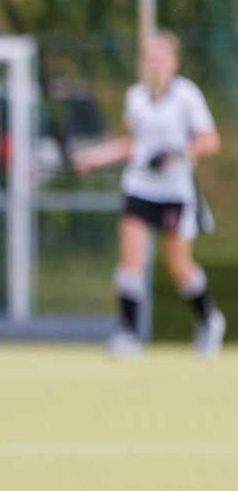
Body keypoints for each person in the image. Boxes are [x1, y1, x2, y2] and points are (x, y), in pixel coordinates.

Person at [74, 30, 224, 359]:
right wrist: (95, 156)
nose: (154, 64)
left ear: (173, 61)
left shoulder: (187, 96)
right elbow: (133, 143)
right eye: (149, 58)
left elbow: (210, 140)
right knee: (130, 262)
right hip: (140, 188)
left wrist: (175, 153)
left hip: (175, 193)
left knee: (178, 265)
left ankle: (209, 319)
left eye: (161, 57)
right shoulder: (136, 97)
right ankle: (127, 333)